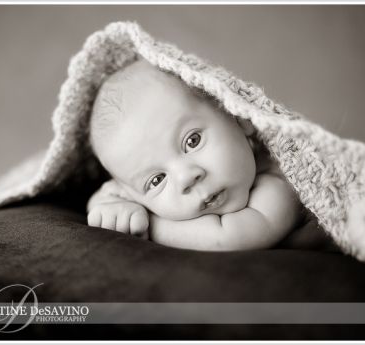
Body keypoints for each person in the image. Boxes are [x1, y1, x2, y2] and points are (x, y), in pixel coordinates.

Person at [86, 58, 329, 251]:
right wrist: (109, 206)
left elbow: (228, 239)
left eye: (192, 141)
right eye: (156, 180)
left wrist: (150, 224)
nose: (186, 178)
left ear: (238, 118)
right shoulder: (132, 191)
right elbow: (110, 194)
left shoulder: (281, 182)